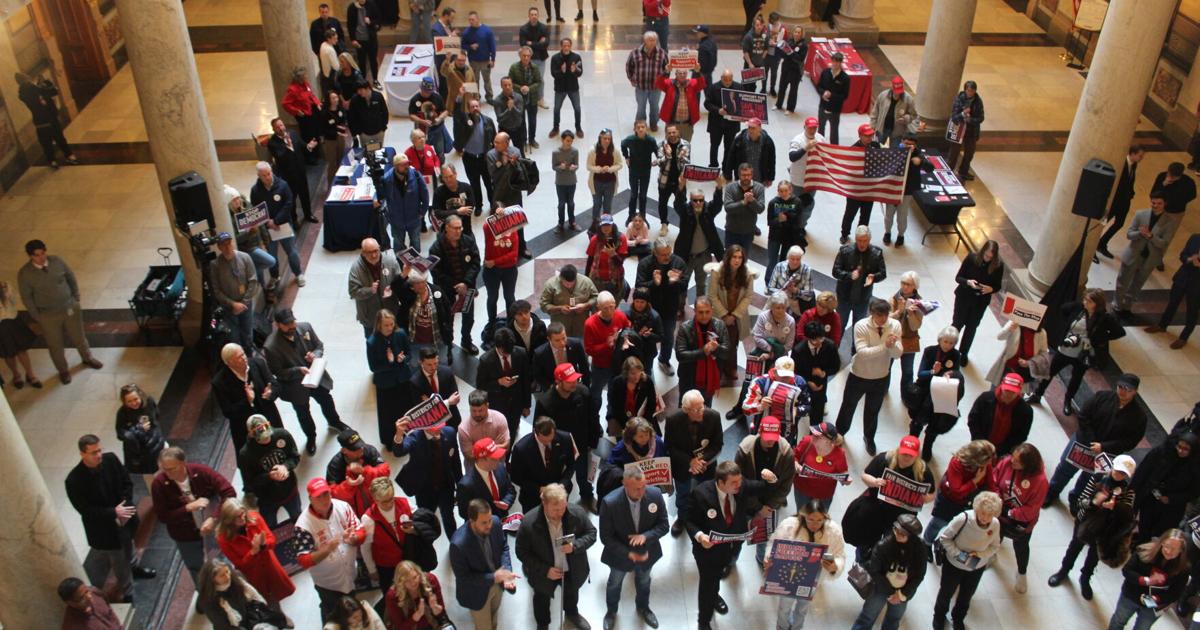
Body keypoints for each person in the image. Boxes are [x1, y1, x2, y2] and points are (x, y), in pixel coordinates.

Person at [66, 435, 152, 605]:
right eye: (93, 453)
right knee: (118, 559)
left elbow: (127, 482)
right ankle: (127, 589)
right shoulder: (74, 480)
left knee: (129, 543)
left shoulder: (110, 459)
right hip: (104, 528)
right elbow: (85, 510)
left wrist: (125, 504)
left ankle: (134, 566)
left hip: (124, 515)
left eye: (99, 450)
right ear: (82, 454)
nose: (98, 455)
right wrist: (113, 512)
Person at [1044, 373, 1148, 506]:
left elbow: (1130, 441)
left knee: (1089, 478)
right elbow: (1083, 416)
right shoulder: (1102, 397)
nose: (1122, 391)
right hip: (1082, 443)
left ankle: (1076, 498)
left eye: (1128, 389)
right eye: (1120, 387)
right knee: (1065, 469)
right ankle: (1051, 492)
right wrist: (1091, 441)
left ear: (1135, 392)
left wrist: (1103, 446)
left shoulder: (1139, 416)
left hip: (1105, 453)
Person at [1048, 455, 1139, 600]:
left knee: (1094, 555)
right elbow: (1081, 501)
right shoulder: (1098, 478)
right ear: (1113, 466)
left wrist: (1115, 506)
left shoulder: (1128, 491)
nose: (1119, 474)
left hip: (1106, 529)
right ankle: (1064, 571)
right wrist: (1095, 502)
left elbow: (1128, 515)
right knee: (1075, 547)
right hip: (1086, 522)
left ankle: (1085, 578)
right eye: (1118, 470)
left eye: (1123, 473)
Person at [687, 461, 761, 630]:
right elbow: (689, 520)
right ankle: (703, 621)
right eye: (734, 482)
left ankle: (715, 596)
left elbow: (761, 486)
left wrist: (771, 479)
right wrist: (700, 536)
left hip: (730, 547)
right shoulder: (701, 494)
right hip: (707, 550)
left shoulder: (740, 487)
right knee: (707, 583)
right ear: (721, 483)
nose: (739, 485)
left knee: (718, 574)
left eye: (740, 481)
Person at [1026, 288, 1125, 414]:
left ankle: (1068, 401)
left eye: (1089, 301)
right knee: (1050, 372)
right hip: (1066, 349)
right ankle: (1037, 394)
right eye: (1085, 299)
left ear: (1097, 304)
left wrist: (1100, 338)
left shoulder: (1104, 318)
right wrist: (1066, 327)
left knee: (1076, 378)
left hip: (1083, 353)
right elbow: (1063, 309)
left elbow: (1120, 332)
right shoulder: (1078, 308)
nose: (1085, 302)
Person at [17, 239, 102, 383]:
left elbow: (70, 276)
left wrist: (75, 296)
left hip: (69, 307)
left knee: (79, 337)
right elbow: (26, 297)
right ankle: (63, 370)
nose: (41, 257)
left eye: (43, 253)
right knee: (55, 344)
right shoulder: (25, 273)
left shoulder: (56, 261)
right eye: (37, 255)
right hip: (47, 314)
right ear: (30, 256)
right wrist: (37, 316)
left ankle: (88, 358)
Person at [841, 436, 936, 563]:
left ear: (916, 455)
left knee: (890, 544)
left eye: (910, 455)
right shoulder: (884, 459)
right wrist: (874, 481)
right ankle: (861, 561)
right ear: (898, 450)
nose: (906, 458)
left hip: (901, 517)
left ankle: (879, 563)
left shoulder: (923, 471)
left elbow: (931, 494)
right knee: (866, 540)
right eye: (904, 454)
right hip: (875, 509)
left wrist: (925, 498)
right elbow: (865, 475)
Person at [516, 483, 597, 630]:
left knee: (572, 593)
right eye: (555, 509)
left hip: (571, 568)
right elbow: (521, 552)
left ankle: (572, 614)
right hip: (544, 572)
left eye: (563, 507)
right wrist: (545, 570)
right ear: (544, 503)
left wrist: (575, 546)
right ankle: (543, 623)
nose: (560, 512)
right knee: (541, 598)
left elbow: (591, 533)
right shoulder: (529, 523)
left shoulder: (576, 513)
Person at [263, 308, 350, 442]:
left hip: (315, 377)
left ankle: (334, 421)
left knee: (326, 400)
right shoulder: (271, 346)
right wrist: (297, 370)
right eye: (287, 324)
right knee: (303, 412)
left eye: (293, 322)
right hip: (295, 385)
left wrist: (315, 355)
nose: (292, 326)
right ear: (278, 325)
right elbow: (278, 372)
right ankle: (311, 436)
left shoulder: (305, 327)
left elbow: (319, 345)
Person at [151, 447, 236, 582]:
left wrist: (214, 518)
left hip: (213, 528)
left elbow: (229, 493)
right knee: (196, 567)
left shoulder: (201, 472)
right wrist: (187, 508)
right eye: (164, 469)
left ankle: (230, 584)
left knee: (221, 559)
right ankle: (205, 593)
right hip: (185, 534)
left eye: (171, 469)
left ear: (183, 463)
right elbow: (163, 516)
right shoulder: (159, 484)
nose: (167, 473)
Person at [599, 466, 667, 630]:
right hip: (619, 554)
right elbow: (606, 537)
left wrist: (646, 536)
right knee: (614, 583)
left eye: (644, 486)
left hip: (647, 551)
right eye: (637, 488)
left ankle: (643, 607)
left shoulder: (655, 495)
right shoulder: (610, 503)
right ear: (624, 484)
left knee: (644, 581)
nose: (642, 491)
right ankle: (611, 612)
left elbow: (664, 525)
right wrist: (628, 553)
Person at [835, 298, 902, 454]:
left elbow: (898, 354)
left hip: (881, 376)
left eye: (885, 315)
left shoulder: (895, 325)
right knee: (848, 406)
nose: (883, 319)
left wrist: (891, 347)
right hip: (859, 374)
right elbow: (862, 352)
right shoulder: (861, 326)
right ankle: (839, 433)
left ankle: (869, 437)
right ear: (872, 314)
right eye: (879, 315)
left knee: (873, 409)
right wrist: (885, 346)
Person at [769, 499, 845, 629]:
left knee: (803, 607)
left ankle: (797, 627)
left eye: (819, 520)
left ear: (825, 517)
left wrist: (835, 566)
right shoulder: (789, 525)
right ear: (804, 515)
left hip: (813, 580)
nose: (815, 524)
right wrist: (769, 559)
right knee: (784, 607)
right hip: (789, 577)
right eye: (810, 519)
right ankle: (782, 627)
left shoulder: (834, 531)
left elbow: (840, 555)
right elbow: (773, 544)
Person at [294, 477, 364, 620]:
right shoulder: (303, 525)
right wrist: (328, 548)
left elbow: (360, 530)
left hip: (350, 573)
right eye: (318, 496)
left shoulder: (343, 507)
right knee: (332, 612)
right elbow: (303, 560)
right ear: (310, 499)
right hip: (328, 584)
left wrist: (354, 538)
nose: (324, 499)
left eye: (326, 494)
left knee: (351, 606)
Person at [535, 363, 602, 510]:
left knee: (584, 474)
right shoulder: (546, 403)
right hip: (559, 449)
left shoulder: (583, 392)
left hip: (581, 443)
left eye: (575, 380)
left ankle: (587, 495)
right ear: (558, 382)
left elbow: (592, 417)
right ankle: (557, 503)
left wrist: (594, 438)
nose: (574, 384)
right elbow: (539, 428)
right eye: (569, 381)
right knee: (559, 478)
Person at [931, 491, 1003, 629]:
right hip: (954, 564)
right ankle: (939, 616)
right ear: (977, 508)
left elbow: (995, 546)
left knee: (967, 595)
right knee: (946, 592)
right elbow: (945, 539)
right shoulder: (963, 519)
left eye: (989, 515)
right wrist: (960, 555)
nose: (985, 518)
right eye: (982, 513)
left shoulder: (995, 524)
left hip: (976, 566)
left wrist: (980, 554)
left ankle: (958, 618)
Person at [734, 416, 796, 565]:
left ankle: (762, 559)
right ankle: (731, 561)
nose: (771, 441)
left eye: (774, 438)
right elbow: (738, 482)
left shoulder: (786, 453)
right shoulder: (745, 450)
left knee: (766, 536)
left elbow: (786, 485)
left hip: (771, 505)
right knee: (738, 534)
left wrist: (769, 507)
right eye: (767, 437)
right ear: (759, 432)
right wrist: (758, 507)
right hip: (746, 501)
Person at [849, 514, 927, 630]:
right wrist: (892, 593)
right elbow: (875, 571)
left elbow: (919, 575)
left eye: (903, 533)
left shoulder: (920, 548)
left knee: (894, 619)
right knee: (867, 616)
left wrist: (902, 594)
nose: (897, 534)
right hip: (880, 588)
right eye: (896, 530)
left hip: (903, 591)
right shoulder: (883, 546)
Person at [214, 498, 295, 607]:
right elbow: (239, 564)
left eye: (242, 513)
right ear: (228, 520)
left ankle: (279, 615)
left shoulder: (254, 517)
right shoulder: (223, 538)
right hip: (255, 573)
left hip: (270, 565)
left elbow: (271, 539)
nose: (242, 518)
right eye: (237, 517)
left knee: (278, 593)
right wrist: (252, 552)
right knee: (265, 601)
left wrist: (263, 544)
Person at [450, 499, 517, 630]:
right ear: (471, 521)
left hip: (498, 584)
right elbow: (464, 578)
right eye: (484, 522)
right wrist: (493, 577)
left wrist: (507, 571)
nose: (489, 525)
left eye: (490, 520)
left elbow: (503, 547)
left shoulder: (496, 523)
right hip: (477, 593)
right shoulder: (458, 544)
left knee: (494, 618)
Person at [664, 389, 723, 535]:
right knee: (682, 493)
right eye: (696, 409)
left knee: (705, 493)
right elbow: (670, 447)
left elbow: (717, 444)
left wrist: (701, 461)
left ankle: (702, 517)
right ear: (686, 409)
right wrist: (690, 462)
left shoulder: (714, 416)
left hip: (705, 465)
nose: (701, 411)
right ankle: (682, 518)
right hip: (682, 466)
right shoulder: (673, 420)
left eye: (702, 406)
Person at [1114, 192, 1182, 318]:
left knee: (1137, 284)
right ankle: (1117, 304)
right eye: (1153, 202)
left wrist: (1151, 236)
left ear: (1165, 204)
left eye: (1159, 203)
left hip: (1149, 259)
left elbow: (1163, 243)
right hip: (1134, 254)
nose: (1155, 205)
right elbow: (1129, 234)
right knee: (1122, 281)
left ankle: (1127, 306)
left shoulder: (1170, 221)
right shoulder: (1141, 214)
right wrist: (1140, 233)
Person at [992, 443, 1048, 593]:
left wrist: (1011, 513)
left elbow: (1032, 508)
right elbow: (995, 479)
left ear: (1027, 465)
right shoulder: (1006, 462)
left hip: (1020, 521)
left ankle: (1022, 573)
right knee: (996, 535)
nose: (1012, 462)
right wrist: (997, 499)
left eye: (1017, 461)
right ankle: (992, 555)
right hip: (1000, 511)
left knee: (1021, 546)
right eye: (1013, 457)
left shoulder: (1040, 481)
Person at [1108, 530, 1191, 629]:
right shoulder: (1144, 550)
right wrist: (1145, 580)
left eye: (1174, 549)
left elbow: (1175, 593)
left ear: (1181, 550)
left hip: (1154, 605)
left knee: (1142, 628)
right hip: (1131, 595)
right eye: (1166, 546)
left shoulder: (1183, 568)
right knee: (1118, 621)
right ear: (1162, 542)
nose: (1168, 551)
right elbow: (1127, 570)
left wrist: (1157, 599)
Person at [212, 342, 285, 452]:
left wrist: (271, 393)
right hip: (246, 428)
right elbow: (228, 412)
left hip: (269, 418)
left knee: (279, 447)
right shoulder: (220, 382)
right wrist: (248, 401)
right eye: (239, 357)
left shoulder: (258, 363)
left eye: (243, 354)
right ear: (229, 363)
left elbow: (275, 385)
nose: (244, 358)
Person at [394, 419, 462, 536]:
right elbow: (399, 451)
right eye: (434, 428)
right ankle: (425, 544)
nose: (438, 431)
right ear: (424, 426)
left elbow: (455, 462)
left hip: (446, 486)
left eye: (440, 427)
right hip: (424, 489)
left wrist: (460, 485)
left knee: (449, 517)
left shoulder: (449, 433)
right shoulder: (415, 437)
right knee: (425, 519)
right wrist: (399, 434)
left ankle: (454, 542)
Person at [922, 440, 996, 548]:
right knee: (938, 523)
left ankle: (941, 543)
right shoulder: (957, 463)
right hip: (949, 501)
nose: (989, 464)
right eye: (987, 461)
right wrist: (975, 480)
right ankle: (926, 543)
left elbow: (990, 484)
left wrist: (994, 500)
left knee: (960, 527)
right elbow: (956, 491)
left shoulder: (985, 464)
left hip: (968, 501)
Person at [907, 327, 966, 460]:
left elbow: (956, 373)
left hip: (941, 393)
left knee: (935, 424)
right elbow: (921, 374)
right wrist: (933, 372)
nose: (948, 345)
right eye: (945, 341)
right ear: (940, 340)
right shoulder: (930, 351)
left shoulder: (956, 355)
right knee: (917, 422)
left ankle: (927, 446)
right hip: (925, 391)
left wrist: (951, 374)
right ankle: (911, 443)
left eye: (951, 343)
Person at [1131, 432, 1200, 544]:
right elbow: (1142, 472)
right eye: (1179, 446)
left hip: (1171, 508)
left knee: (1160, 535)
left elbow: (1194, 492)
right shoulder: (1162, 453)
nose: (1181, 451)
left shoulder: (1195, 467)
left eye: (1186, 449)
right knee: (1144, 526)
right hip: (1150, 499)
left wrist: (1171, 498)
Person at [427, 215, 481, 352]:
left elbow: (475, 263)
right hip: (447, 292)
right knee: (447, 319)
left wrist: (466, 283)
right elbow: (436, 273)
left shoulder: (468, 242)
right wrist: (454, 286)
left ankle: (466, 341)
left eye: (460, 228)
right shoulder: (436, 248)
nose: (458, 231)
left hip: (467, 289)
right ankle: (448, 344)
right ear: (447, 228)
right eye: (455, 228)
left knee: (468, 318)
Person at [636, 239, 690, 375]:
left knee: (668, 337)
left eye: (669, 253)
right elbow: (639, 288)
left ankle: (664, 360)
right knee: (646, 337)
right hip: (648, 310)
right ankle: (645, 364)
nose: (667, 257)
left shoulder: (678, 262)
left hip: (669, 308)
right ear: (655, 253)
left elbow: (684, 286)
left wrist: (675, 282)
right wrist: (654, 283)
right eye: (663, 254)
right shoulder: (645, 264)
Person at [238, 416, 302, 529]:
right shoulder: (246, 454)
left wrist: (285, 466)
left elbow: (295, 457)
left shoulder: (282, 435)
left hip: (290, 490)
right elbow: (250, 482)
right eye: (262, 438)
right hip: (266, 498)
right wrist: (269, 476)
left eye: (268, 436)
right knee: (270, 525)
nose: (266, 439)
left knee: (298, 517)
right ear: (251, 434)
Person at [249, 162, 305, 287]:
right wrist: (268, 222)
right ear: (259, 176)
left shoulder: (282, 185)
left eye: (269, 174)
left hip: (283, 225)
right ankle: (274, 277)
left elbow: (288, 203)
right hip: (268, 228)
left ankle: (298, 274)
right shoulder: (255, 190)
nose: (267, 177)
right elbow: (256, 210)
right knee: (272, 255)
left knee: (291, 251)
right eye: (264, 175)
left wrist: (276, 221)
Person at [193, 558, 287, 630]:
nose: (228, 576)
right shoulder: (207, 599)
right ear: (212, 579)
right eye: (222, 575)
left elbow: (252, 601)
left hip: (250, 618)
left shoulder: (237, 578)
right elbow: (223, 625)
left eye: (227, 571)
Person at [707, 246, 755, 386]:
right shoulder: (717, 272)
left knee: (733, 343)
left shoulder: (747, 274)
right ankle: (716, 369)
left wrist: (733, 315)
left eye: (740, 257)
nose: (737, 260)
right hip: (719, 314)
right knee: (716, 341)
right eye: (734, 257)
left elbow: (748, 297)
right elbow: (712, 296)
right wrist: (724, 315)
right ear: (728, 258)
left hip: (736, 315)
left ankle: (730, 368)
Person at [359, 477, 414, 595]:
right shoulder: (368, 519)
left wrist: (414, 530)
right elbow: (365, 548)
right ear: (375, 500)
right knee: (392, 594)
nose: (389, 503)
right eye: (384, 501)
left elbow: (420, 523)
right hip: (387, 566)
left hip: (408, 558)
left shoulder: (405, 504)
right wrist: (371, 569)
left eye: (391, 499)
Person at [951, 240, 1003, 364]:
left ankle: (963, 352)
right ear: (982, 251)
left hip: (980, 301)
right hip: (964, 297)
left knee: (971, 327)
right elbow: (958, 278)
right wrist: (968, 282)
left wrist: (991, 289)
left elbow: (998, 286)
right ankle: (950, 349)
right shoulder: (971, 258)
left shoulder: (998, 265)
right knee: (957, 324)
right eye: (986, 256)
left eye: (991, 257)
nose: (987, 259)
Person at [509, 417, 577, 511]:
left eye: (551, 439)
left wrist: (562, 484)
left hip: (559, 493)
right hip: (533, 499)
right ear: (536, 433)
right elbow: (516, 477)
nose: (548, 443)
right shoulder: (521, 449)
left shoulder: (565, 438)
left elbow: (571, 464)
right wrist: (539, 489)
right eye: (544, 441)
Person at [1146, 232, 1200, 349]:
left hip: (1197, 285)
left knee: (1192, 311)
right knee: (1172, 303)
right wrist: (1190, 259)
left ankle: (1183, 338)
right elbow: (1182, 255)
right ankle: (1162, 325)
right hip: (1183, 277)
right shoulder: (1195, 238)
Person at [208, 232, 259, 351]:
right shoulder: (215, 265)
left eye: (229, 243)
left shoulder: (245, 257)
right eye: (223, 245)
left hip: (245, 304)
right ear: (219, 247)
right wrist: (233, 304)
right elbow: (217, 290)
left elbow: (253, 281)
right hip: (229, 307)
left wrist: (244, 302)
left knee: (247, 331)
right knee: (234, 336)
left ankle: (249, 355)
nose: (227, 247)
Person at [675, 297, 731, 406]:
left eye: (707, 312)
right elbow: (680, 355)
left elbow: (727, 352)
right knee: (685, 407)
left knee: (705, 408)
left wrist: (716, 348)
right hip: (689, 378)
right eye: (700, 312)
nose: (704, 316)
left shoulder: (720, 325)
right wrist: (703, 352)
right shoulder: (685, 328)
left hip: (710, 378)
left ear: (712, 310)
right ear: (694, 311)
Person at [476, 331, 531, 440]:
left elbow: (526, 380)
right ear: (498, 347)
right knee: (499, 434)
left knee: (512, 430)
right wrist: (498, 383)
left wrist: (526, 405)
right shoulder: (486, 360)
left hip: (516, 403)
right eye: (505, 352)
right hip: (497, 406)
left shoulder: (521, 353)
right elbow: (481, 386)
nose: (508, 355)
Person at [832, 225, 887, 334]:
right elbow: (835, 271)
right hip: (844, 298)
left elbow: (883, 273)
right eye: (859, 240)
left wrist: (873, 277)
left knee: (859, 329)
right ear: (855, 239)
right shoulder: (845, 251)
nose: (862, 244)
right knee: (839, 326)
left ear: (869, 239)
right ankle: (834, 349)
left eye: (865, 240)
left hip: (863, 299)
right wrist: (849, 275)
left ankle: (855, 350)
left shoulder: (876, 253)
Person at [15, 73, 77, 168]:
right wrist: (44, 83)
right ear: (26, 80)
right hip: (48, 118)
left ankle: (52, 160)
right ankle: (68, 155)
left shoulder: (24, 93)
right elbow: (52, 92)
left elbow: (47, 92)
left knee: (46, 141)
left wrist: (41, 85)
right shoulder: (31, 90)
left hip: (40, 120)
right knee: (58, 137)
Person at [674, 187, 725, 299]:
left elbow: (717, 204)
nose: (698, 203)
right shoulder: (685, 212)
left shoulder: (708, 211)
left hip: (703, 256)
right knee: (682, 284)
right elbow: (678, 204)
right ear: (690, 200)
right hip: (686, 256)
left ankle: (700, 306)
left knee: (701, 285)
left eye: (701, 200)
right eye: (695, 200)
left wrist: (719, 188)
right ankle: (680, 307)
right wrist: (681, 187)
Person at [394, 270, 454, 364]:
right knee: (416, 364)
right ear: (412, 285)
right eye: (417, 283)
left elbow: (448, 312)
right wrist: (404, 273)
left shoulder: (436, 291)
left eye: (422, 282)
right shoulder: (408, 294)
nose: (421, 285)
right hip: (415, 340)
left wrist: (448, 329)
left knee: (440, 363)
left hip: (437, 339)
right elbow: (395, 286)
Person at [1096, 144, 1145, 260]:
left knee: (1119, 223)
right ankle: (1092, 248)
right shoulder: (1120, 164)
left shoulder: (1134, 165)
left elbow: (1130, 180)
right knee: (1102, 223)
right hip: (1114, 201)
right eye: (1140, 156)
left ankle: (1101, 243)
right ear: (1132, 154)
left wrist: (1131, 193)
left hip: (1124, 201)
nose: (1141, 158)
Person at [967, 373, 1034, 457]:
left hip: (1004, 452)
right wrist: (980, 442)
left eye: (1013, 392)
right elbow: (973, 420)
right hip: (979, 445)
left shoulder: (1026, 411)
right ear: (1001, 386)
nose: (1009, 394)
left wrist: (1000, 450)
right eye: (1007, 390)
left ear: (1019, 392)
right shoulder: (985, 398)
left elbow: (1021, 435)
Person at [113, 383, 166, 490]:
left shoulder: (149, 402)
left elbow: (156, 419)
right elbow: (120, 433)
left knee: (165, 469)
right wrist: (137, 430)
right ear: (124, 402)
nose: (133, 403)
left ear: (140, 395)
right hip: (139, 451)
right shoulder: (122, 413)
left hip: (155, 443)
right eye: (129, 401)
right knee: (150, 478)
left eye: (135, 399)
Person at [266, 117, 318, 224]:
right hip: (288, 175)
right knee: (291, 198)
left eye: (281, 125)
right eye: (277, 127)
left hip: (300, 171)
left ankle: (308, 214)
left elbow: (302, 145)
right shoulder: (272, 143)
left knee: (304, 194)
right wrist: (288, 146)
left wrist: (309, 146)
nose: (281, 128)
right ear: (274, 129)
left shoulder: (293, 133)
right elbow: (280, 156)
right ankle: (294, 219)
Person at [376, 154, 429, 253]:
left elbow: (425, 195)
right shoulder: (387, 179)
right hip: (396, 220)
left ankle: (415, 263)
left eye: (408, 163)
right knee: (398, 243)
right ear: (396, 166)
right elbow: (382, 197)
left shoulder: (416, 175)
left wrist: (422, 212)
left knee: (415, 242)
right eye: (403, 164)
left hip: (414, 218)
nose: (407, 166)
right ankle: (400, 264)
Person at [790, 321, 841, 424]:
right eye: (814, 339)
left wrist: (823, 373)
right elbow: (795, 371)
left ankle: (815, 434)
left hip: (821, 384)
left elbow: (835, 366)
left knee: (817, 414)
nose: (819, 342)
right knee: (798, 411)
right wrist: (808, 382)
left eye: (821, 338)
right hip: (803, 384)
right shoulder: (798, 350)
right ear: (808, 338)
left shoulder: (830, 346)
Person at [452, 97, 497, 209]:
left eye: (477, 106)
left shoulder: (488, 121)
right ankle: (478, 206)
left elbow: (494, 138)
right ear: (468, 109)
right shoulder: (465, 121)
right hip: (470, 158)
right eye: (472, 107)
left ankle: (493, 203)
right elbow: (456, 114)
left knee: (489, 183)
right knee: (475, 184)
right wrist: (458, 99)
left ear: (480, 107)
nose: (475, 108)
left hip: (485, 158)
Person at [840, 124, 881, 242]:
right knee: (850, 214)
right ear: (860, 135)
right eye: (866, 135)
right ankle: (844, 234)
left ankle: (861, 235)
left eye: (871, 135)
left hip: (869, 189)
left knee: (866, 215)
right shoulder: (853, 149)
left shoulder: (876, 146)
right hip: (855, 189)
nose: (869, 138)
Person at [456, 437, 517, 519]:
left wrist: (506, 502)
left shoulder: (500, 468)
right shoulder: (466, 485)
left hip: (503, 518)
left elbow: (510, 489)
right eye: (493, 458)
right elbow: (464, 513)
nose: (498, 459)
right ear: (481, 459)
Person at [985, 318, 1049, 390]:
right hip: (1006, 367)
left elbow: (1044, 354)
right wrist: (1009, 329)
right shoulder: (1015, 323)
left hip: (1023, 373)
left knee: (1015, 397)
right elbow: (1000, 337)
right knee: (996, 392)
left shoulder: (1041, 333)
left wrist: (1029, 363)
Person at [385, 560, 449, 630]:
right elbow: (400, 627)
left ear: (419, 573)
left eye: (415, 577)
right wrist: (417, 615)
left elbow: (442, 614)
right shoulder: (392, 596)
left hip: (433, 623)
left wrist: (436, 609)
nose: (413, 583)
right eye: (407, 581)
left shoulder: (431, 580)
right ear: (400, 583)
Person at [889, 271, 925, 395]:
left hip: (909, 339)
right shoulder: (894, 298)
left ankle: (907, 395)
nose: (905, 287)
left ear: (915, 286)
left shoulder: (919, 303)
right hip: (893, 338)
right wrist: (899, 312)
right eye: (903, 283)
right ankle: (882, 390)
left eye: (908, 284)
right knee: (886, 367)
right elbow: (887, 321)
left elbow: (916, 326)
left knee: (908, 371)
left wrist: (910, 315)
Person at [455, 390, 511, 469]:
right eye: (473, 411)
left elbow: (506, 446)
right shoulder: (463, 429)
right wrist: (494, 445)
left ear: (487, 406)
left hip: (497, 466)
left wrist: (479, 451)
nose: (477, 414)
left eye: (480, 410)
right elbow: (469, 456)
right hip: (475, 470)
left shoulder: (500, 418)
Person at [539, 264, 597, 338]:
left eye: (572, 283)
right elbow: (544, 304)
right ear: (561, 278)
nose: (569, 286)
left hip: (581, 324)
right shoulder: (550, 285)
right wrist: (559, 308)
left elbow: (596, 297)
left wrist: (586, 305)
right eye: (566, 283)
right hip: (560, 325)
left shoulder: (586, 282)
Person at [0, 279, 39, 389]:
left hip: (13, 321)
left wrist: (7, 294)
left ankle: (30, 374)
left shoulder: (6, 285)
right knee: (8, 353)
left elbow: (14, 303)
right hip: (0, 326)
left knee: (22, 350)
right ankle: (16, 375)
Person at [626, 32, 668, 131]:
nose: (652, 42)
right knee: (641, 107)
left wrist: (663, 81)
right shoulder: (635, 53)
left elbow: (667, 68)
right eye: (650, 40)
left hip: (656, 87)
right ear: (645, 41)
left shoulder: (662, 53)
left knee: (654, 107)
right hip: (641, 86)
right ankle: (640, 125)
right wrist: (631, 78)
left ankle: (653, 124)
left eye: (654, 40)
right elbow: (629, 66)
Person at [765, 185, 806, 286]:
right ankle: (769, 282)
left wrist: (787, 218)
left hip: (790, 237)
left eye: (785, 191)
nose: (783, 193)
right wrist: (779, 220)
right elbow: (770, 221)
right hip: (775, 236)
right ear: (778, 191)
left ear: (790, 190)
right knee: (772, 261)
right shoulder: (773, 202)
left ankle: (780, 283)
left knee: (785, 262)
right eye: (781, 191)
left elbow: (799, 221)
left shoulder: (797, 202)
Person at [788, 119, 826, 224]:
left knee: (808, 205)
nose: (812, 130)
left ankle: (801, 226)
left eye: (814, 127)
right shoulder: (798, 140)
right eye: (810, 127)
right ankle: (792, 226)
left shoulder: (820, 138)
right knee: (795, 204)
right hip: (798, 180)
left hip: (813, 179)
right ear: (804, 127)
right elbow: (792, 157)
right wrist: (806, 148)